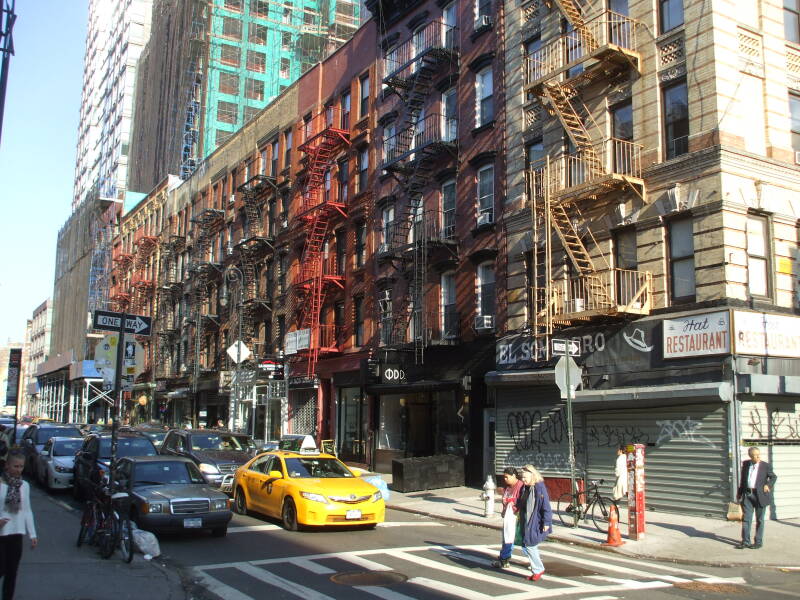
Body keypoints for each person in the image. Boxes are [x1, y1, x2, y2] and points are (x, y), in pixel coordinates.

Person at [0, 449, 37, 599]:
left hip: (17, 532)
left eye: (21, 466)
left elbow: (27, 510)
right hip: (1, 534)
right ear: (7, 466)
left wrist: (33, 534)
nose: (18, 470)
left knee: (12, 572)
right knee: (1, 568)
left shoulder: (24, 486)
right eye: (15, 466)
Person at [515, 464, 552, 582]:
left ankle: (538, 569)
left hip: (535, 521)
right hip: (526, 519)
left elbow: (546, 506)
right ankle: (536, 568)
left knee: (530, 546)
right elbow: (521, 501)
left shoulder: (539, 488)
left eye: (525, 477)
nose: (523, 480)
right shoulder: (525, 488)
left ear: (532, 476)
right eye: (522, 478)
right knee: (529, 545)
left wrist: (547, 522)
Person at [736, 446, 777, 549]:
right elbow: (743, 480)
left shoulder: (765, 466)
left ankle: (758, 542)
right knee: (746, 519)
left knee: (760, 520)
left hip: (760, 496)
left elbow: (773, 477)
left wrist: (768, 485)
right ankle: (745, 541)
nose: (758, 457)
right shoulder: (746, 464)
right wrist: (739, 493)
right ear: (750, 456)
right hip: (747, 495)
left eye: (759, 455)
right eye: (755, 455)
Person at [492, 467, 524, 569]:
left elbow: (522, 501)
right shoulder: (508, 487)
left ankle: (534, 562)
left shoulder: (521, 486)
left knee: (521, 540)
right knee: (507, 538)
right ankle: (504, 559)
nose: (505, 479)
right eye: (504, 477)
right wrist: (504, 510)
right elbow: (505, 499)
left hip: (517, 516)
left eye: (507, 477)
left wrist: (512, 501)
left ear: (514, 475)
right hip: (508, 516)